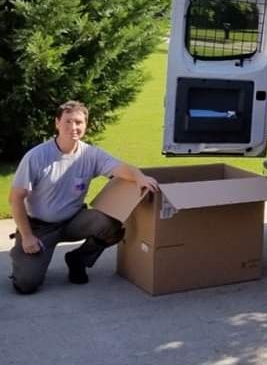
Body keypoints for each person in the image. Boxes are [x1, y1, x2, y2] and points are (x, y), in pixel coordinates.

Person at [8, 100, 159, 294]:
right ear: (57, 123)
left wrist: (139, 176)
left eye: (79, 122)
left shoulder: (90, 154)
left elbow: (120, 168)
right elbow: (15, 198)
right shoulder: (37, 156)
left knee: (112, 227)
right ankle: (21, 256)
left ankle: (78, 260)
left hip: (73, 220)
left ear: (85, 125)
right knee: (26, 285)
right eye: (68, 121)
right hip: (39, 227)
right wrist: (27, 236)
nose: (74, 127)